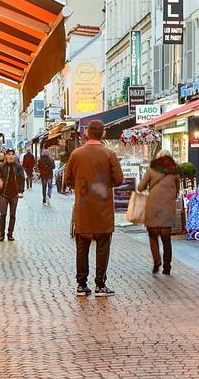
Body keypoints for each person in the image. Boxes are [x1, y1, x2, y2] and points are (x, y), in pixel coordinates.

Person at [62, 119, 123, 297]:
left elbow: (67, 179)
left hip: (83, 207)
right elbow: (119, 179)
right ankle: (100, 285)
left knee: (82, 246)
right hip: (103, 207)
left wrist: (80, 187)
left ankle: (81, 284)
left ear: (87, 133)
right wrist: (105, 183)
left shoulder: (76, 154)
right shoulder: (109, 154)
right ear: (103, 133)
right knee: (103, 246)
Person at [137, 150, 181, 275]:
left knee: (153, 235)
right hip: (168, 207)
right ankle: (167, 267)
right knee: (166, 239)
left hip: (153, 207)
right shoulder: (175, 172)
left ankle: (157, 260)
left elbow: (140, 187)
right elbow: (177, 191)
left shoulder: (152, 170)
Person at [0, 149, 26, 242]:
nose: (11, 156)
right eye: (9, 154)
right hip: (4, 194)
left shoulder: (19, 167)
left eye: (12, 154)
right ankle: (1, 234)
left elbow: (22, 179)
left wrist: (21, 191)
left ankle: (10, 234)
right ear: (6, 156)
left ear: (14, 156)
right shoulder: (1, 166)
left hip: (14, 194)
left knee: (12, 215)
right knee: (3, 214)